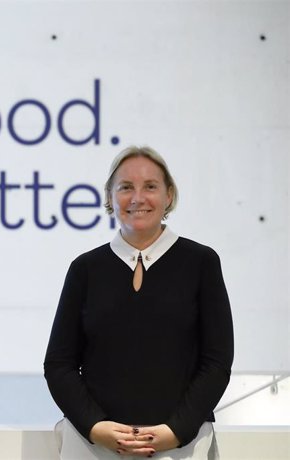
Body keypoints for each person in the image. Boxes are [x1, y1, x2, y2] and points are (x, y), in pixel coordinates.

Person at [44, 146, 234, 459]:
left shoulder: (201, 263)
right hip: (94, 447)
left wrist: (176, 431)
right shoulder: (85, 269)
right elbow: (59, 363)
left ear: (169, 195)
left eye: (150, 186)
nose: (137, 198)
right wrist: (95, 427)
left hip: (180, 446)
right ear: (109, 196)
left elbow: (217, 361)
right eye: (126, 187)